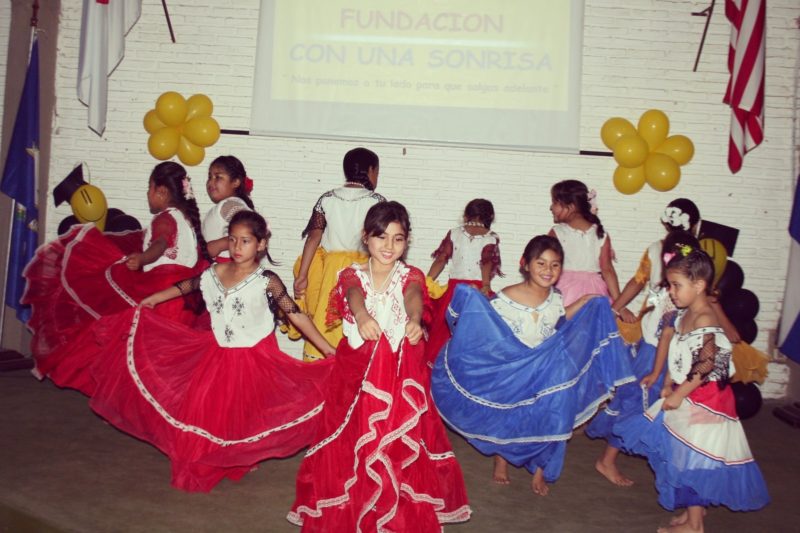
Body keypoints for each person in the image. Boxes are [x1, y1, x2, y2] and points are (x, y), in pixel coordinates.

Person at [87, 211, 336, 492]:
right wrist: (153, 299)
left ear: (261, 244)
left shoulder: (266, 280)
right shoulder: (214, 273)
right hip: (216, 354)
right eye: (233, 240)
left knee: (245, 410)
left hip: (254, 356)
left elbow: (296, 315)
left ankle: (239, 455)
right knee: (205, 408)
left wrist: (327, 349)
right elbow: (186, 286)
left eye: (245, 241)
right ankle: (202, 457)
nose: (237, 247)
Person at [288, 201, 471, 531]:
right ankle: (352, 510)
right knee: (354, 443)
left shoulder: (409, 275)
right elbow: (354, 294)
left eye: (398, 239)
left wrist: (415, 319)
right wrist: (361, 316)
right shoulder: (351, 274)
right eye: (381, 237)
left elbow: (414, 293)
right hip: (356, 379)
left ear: (407, 241)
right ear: (365, 237)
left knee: (396, 444)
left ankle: (394, 515)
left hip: (398, 380)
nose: (389, 246)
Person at [431, 236, 634, 497]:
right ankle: (501, 460)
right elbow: (491, 330)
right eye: (541, 263)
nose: (548, 271)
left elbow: (559, 319)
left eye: (555, 265)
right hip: (515, 370)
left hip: (547, 369)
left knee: (554, 414)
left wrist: (585, 302)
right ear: (525, 264)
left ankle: (541, 470)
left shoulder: (557, 298)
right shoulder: (506, 297)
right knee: (511, 414)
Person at [614, 246, 769, 533]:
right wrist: (669, 380)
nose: (671, 291)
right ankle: (691, 514)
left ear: (698, 286)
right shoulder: (685, 314)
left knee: (693, 460)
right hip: (689, 396)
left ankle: (695, 525)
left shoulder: (705, 319)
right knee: (683, 455)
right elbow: (679, 351)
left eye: (676, 285)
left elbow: (707, 364)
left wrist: (678, 393)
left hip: (705, 401)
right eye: (670, 285)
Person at [22, 161, 206, 395]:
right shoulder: (187, 221)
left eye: (148, 188)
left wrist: (143, 259)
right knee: (159, 357)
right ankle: (154, 399)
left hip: (162, 299)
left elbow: (160, 244)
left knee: (130, 346)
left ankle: (128, 401)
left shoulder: (165, 219)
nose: (147, 194)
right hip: (183, 301)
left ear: (161, 192)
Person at [587, 232, 699, 487]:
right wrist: (615, 307)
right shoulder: (670, 295)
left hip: (667, 353)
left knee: (648, 403)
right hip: (654, 353)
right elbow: (665, 334)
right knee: (637, 401)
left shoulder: (681, 290)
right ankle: (607, 460)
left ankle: (654, 452)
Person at [291, 147, 386, 361]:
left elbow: (313, 238)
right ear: (371, 170)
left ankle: (322, 359)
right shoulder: (377, 202)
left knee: (325, 318)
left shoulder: (327, 199)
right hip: (364, 270)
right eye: (377, 172)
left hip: (330, 272)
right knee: (360, 317)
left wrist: (303, 274)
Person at [425, 198, 502, 364]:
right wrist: (486, 285)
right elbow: (487, 262)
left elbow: (442, 259)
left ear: (466, 215)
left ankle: (438, 367)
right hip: (476, 290)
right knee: (472, 333)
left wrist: (427, 280)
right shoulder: (490, 238)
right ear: (490, 216)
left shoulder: (455, 232)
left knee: (442, 331)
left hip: (454, 290)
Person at [548, 180, 620, 306]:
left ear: (571, 206)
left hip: (566, 289)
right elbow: (607, 270)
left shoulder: (558, 232)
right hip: (594, 290)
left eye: (554, 202)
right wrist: (620, 303)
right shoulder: (600, 234)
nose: (551, 207)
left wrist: (620, 305)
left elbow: (607, 269)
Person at [202, 155, 254, 262]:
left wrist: (219, 245)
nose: (211, 182)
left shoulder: (229, 204)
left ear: (235, 182)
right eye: (209, 177)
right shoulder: (227, 204)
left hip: (227, 266)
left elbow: (253, 229)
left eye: (218, 177)